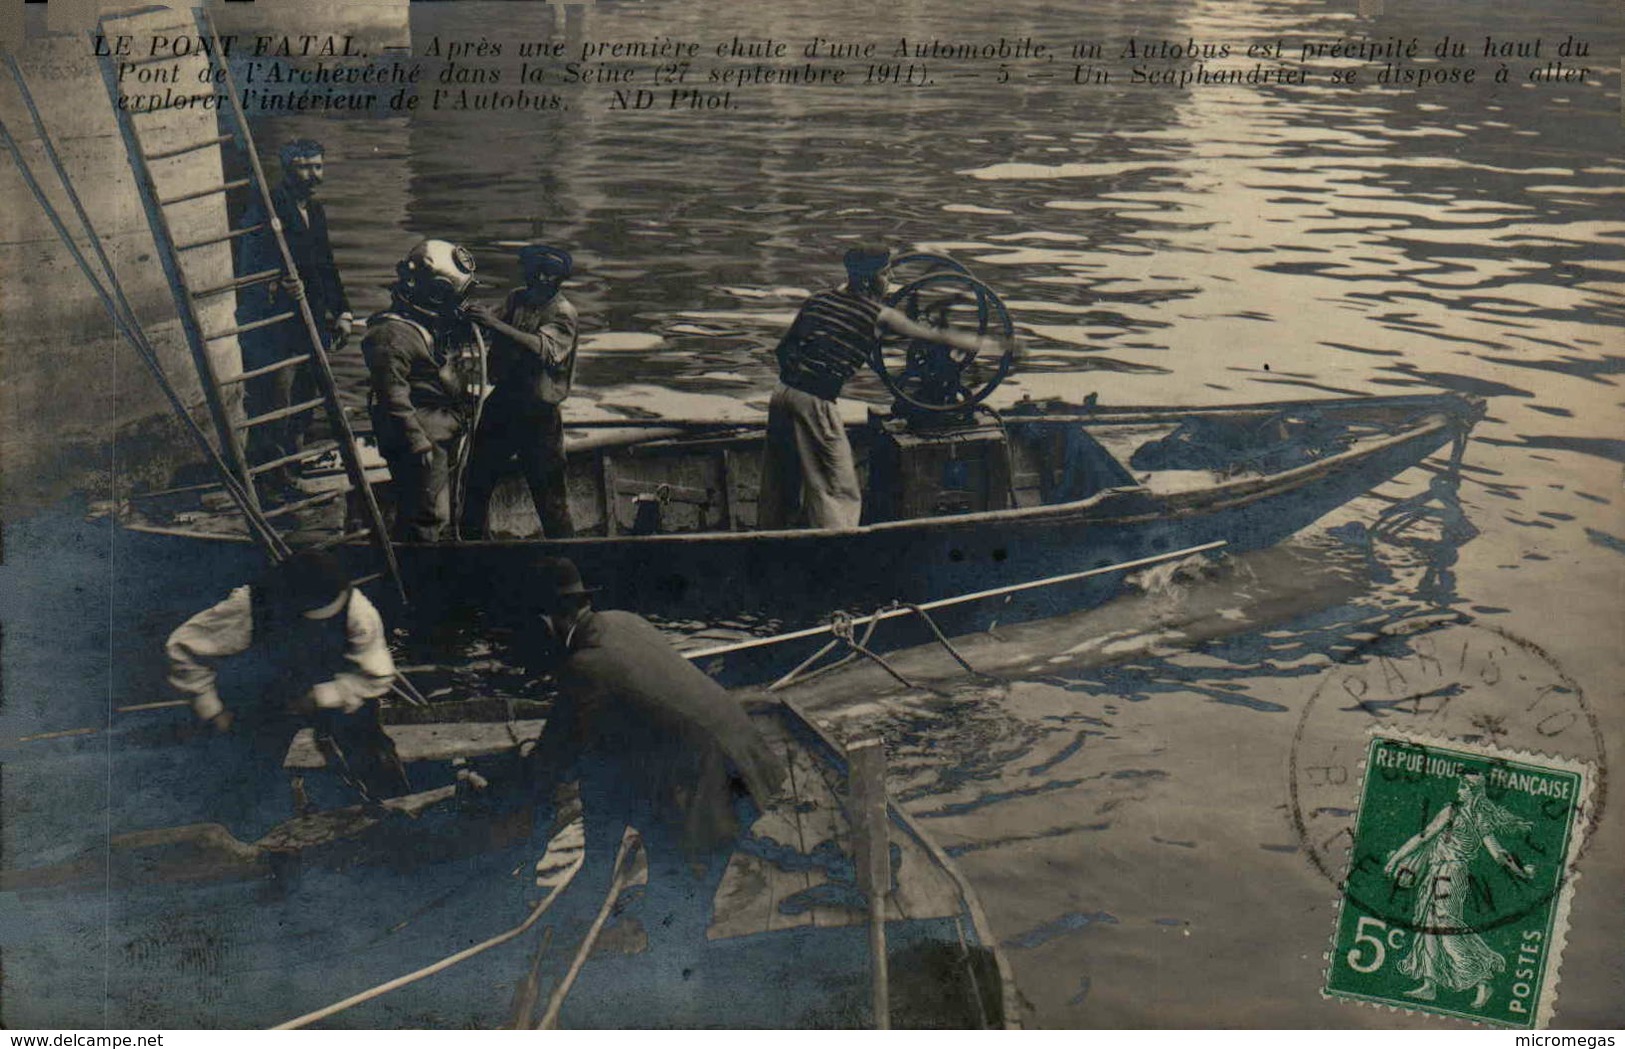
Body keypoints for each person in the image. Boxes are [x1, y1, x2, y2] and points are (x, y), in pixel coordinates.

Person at [523, 557, 787, 960]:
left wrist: (507, 789)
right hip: (748, 756)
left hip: (714, 788)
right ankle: (625, 904)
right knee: (607, 777)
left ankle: (676, 995)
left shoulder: (587, 666)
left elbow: (550, 761)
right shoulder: (624, 621)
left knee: (680, 914)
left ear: (546, 625)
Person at [758, 244, 1013, 530]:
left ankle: (772, 537)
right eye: (885, 273)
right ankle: (835, 551)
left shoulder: (819, 300)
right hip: (815, 402)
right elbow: (932, 335)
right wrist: (996, 344)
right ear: (868, 279)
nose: (891, 278)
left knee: (781, 480)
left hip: (782, 394)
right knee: (838, 489)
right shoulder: (877, 314)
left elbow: (783, 351)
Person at [165, 549, 409, 806]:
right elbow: (183, 647)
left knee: (373, 756)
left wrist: (324, 695)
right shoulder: (250, 604)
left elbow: (377, 674)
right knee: (248, 780)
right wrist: (211, 709)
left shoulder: (357, 609)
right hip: (267, 695)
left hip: (337, 691)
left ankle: (395, 811)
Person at [235, 139, 354, 492]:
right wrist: (276, 283)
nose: (313, 175)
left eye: (318, 166)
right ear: (288, 169)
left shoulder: (315, 211)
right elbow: (247, 263)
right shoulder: (266, 209)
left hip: (312, 319)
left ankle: (293, 464)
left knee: (306, 395)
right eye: (305, 167)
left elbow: (327, 266)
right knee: (276, 397)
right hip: (277, 325)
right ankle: (271, 475)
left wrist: (343, 311)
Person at [1382, 772, 1535, 1009]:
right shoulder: (1480, 816)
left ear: (1472, 791)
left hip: (1448, 874)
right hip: (1441, 873)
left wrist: (1396, 859)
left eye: (1462, 787)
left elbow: (1423, 837)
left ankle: (1482, 977)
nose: (1458, 790)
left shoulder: (1454, 812)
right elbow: (1498, 854)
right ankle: (1429, 985)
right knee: (1428, 925)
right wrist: (1522, 872)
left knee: (1444, 926)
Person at [459, 245, 580, 539]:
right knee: (476, 477)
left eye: (535, 275)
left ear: (549, 278)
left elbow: (545, 349)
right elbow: (492, 324)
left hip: (538, 413)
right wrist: (475, 317)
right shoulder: (517, 298)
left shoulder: (563, 313)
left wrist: (495, 324)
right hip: (503, 402)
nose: (528, 280)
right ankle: (472, 546)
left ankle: (569, 554)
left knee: (548, 492)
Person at [362, 238, 478, 542]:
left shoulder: (423, 326)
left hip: (439, 431)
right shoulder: (391, 334)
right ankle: (420, 571)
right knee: (424, 513)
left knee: (437, 508)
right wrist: (417, 443)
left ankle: (430, 554)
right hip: (418, 438)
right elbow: (393, 397)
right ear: (436, 293)